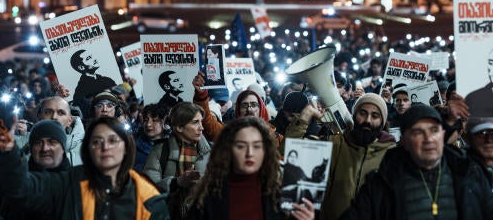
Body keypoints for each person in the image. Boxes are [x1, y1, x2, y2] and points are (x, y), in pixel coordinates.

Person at [341, 103, 493, 219]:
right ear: (405, 141)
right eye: (418, 132)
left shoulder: (468, 172)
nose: (428, 139)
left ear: (443, 135)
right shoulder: (381, 184)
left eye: (434, 130)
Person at [0, 116, 169, 219]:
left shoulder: (149, 198)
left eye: (113, 140)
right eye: (97, 141)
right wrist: (10, 152)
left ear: (126, 148)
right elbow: (21, 188)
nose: (105, 147)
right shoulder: (67, 183)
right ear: (88, 149)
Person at [287, 93, 396, 220]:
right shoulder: (335, 143)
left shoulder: (392, 154)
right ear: (354, 115)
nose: (368, 120)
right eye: (363, 113)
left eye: (375, 116)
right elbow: (290, 152)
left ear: (382, 122)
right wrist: (305, 116)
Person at [186, 117, 315, 220]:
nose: (250, 153)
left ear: (266, 151)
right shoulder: (206, 197)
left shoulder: (280, 194)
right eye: (241, 146)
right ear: (229, 150)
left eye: (257, 146)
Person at [143, 102, 210, 218]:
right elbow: (148, 190)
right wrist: (176, 182)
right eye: (195, 122)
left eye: (201, 122)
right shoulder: (160, 151)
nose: (201, 127)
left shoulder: (211, 152)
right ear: (179, 127)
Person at [70, 49, 117, 119]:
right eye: (88, 58)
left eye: (92, 56)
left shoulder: (107, 80)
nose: (94, 59)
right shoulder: (80, 90)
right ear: (81, 67)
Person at [135, 103, 170, 171]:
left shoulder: (172, 146)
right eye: (146, 120)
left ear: (165, 122)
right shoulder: (133, 145)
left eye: (154, 120)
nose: (148, 124)